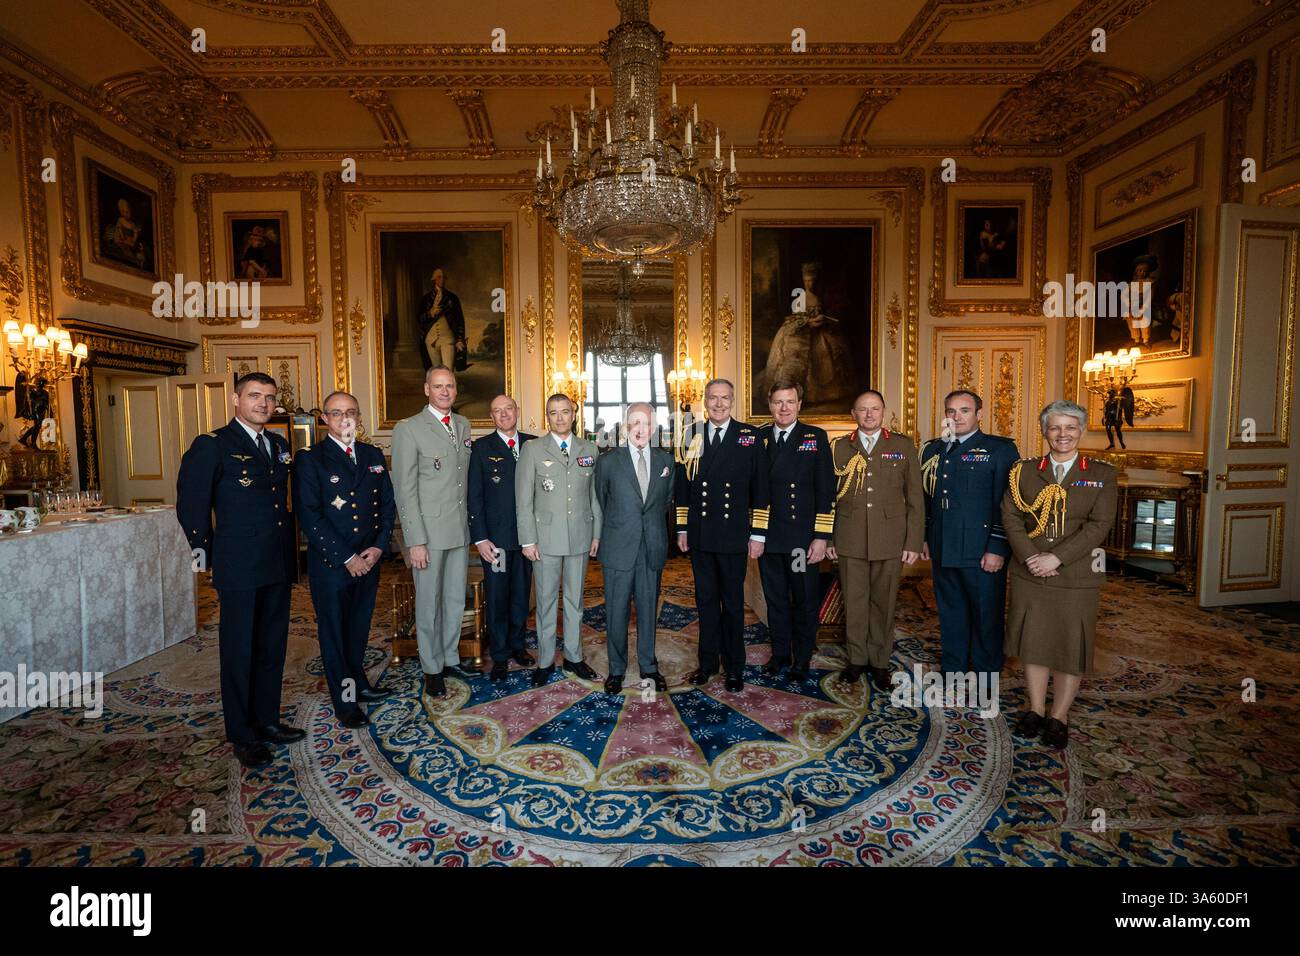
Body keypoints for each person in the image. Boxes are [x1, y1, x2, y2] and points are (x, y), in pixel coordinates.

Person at [176, 372, 300, 769]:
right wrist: (204, 554)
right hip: (239, 564)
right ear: (235, 399)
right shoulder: (213, 445)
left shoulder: (278, 444)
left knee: (271, 647)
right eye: (254, 396)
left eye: (268, 397)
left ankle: (266, 720)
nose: (263, 403)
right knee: (239, 650)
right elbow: (192, 504)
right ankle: (243, 734)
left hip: (276, 561)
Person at [1003, 400, 1118, 750]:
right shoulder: (1023, 471)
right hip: (1031, 570)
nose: (1062, 434)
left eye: (1070, 428)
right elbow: (1010, 517)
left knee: (1070, 646)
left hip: (1076, 574)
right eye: (1055, 427)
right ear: (1044, 431)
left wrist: (1057, 557)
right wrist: (1031, 557)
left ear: (1081, 431)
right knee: (1034, 644)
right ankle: (1037, 709)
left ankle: (1059, 715)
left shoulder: (1100, 474)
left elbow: (1099, 525)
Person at [292, 391, 395, 728]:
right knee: (335, 633)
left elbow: (386, 507)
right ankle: (346, 700)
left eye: (350, 412)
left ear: (359, 416)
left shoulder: (372, 454)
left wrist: (378, 548)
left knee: (359, 627)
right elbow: (309, 515)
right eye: (336, 413)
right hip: (334, 563)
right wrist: (347, 557)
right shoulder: (311, 459)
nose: (344, 418)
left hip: (369, 558)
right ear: (325, 419)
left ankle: (359, 683)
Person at [676, 378, 769, 693]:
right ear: (704, 400)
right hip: (701, 534)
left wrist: (758, 533)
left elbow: (761, 489)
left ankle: (734, 667)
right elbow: (683, 487)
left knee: (732, 603)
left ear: (733, 401)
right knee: (704, 602)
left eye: (725, 398)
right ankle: (707, 664)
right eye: (713, 398)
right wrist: (682, 528)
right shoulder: (691, 433)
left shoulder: (750, 436)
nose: (718, 404)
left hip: (733, 535)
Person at [827, 389, 923, 692]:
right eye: (862, 409)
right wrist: (829, 537)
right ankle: (856, 659)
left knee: (884, 602)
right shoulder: (840, 448)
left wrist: (912, 542)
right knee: (854, 601)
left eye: (875, 409)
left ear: (883, 412)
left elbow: (915, 499)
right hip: (849, 536)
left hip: (889, 538)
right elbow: (829, 499)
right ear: (853, 415)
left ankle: (880, 661)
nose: (869, 415)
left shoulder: (902, 446)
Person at [920, 389, 1019, 678]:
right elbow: (928, 498)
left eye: (964, 410)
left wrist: (998, 547)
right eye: (951, 411)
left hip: (981, 549)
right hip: (943, 545)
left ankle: (987, 672)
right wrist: (925, 537)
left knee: (985, 614)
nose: (957, 417)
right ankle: (954, 667)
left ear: (979, 414)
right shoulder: (933, 450)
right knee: (950, 611)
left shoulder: (999, 449)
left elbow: (1008, 502)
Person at [391, 365, 477, 700]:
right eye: (438, 386)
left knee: (455, 598)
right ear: (426, 389)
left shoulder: (463, 424)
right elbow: (405, 489)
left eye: (450, 386)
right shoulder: (409, 429)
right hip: (428, 533)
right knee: (429, 602)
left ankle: (449, 656)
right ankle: (431, 667)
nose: (445, 392)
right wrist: (415, 541)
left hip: (458, 529)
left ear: (456, 390)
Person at [515, 394, 602, 687]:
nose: (560, 418)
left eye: (565, 412)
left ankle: (575, 657)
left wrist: (596, 533)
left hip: (579, 536)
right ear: (547, 417)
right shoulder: (533, 449)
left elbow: (594, 497)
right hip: (545, 539)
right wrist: (527, 540)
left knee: (576, 601)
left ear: (574, 414)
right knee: (546, 601)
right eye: (554, 413)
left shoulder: (590, 449)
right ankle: (545, 660)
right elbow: (524, 499)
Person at [593, 402, 675, 695]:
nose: (641, 429)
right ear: (626, 426)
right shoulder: (608, 462)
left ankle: (648, 666)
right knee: (615, 610)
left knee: (647, 608)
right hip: (618, 546)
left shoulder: (666, 461)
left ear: (654, 427)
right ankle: (616, 669)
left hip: (651, 545)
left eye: (647, 423)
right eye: (635, 423)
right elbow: (602, 500)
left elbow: (665, 502)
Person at [757, 381, 834, 683]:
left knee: (803, 598)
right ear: (770, 404)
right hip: (770, 539)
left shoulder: (814, 437)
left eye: (790, 401)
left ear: (800, 404)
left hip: (801, 541)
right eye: (778, 402)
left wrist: (821, 536)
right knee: (775, 598)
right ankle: (779, 655)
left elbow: (825, 489)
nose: (784, 408)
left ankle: (801, 657)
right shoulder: (759, 437)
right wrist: (755, 534)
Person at [467, 394, 537, 682]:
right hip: (496, 541)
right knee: (498, 598)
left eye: (508, 408)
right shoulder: (482, 448)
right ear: (492, 417)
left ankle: (518, 646)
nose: (504, 414)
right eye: (497, 411)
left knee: (522, 595)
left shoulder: (533, 443)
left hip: (527, 539)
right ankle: (499, 655)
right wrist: (480, 538)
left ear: (517, 411)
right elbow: (475, 496)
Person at [418, 268, 466, 372]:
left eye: (444, 277)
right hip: (430, 340)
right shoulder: (426, 299)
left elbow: (459, 319)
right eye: (439, 277)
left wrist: (459, 339)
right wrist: (430, 313)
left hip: (448, 339)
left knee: (448, 372)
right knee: (436, 373)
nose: (442, 280)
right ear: (434, 279)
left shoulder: (453, 298)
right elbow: (419, 318)